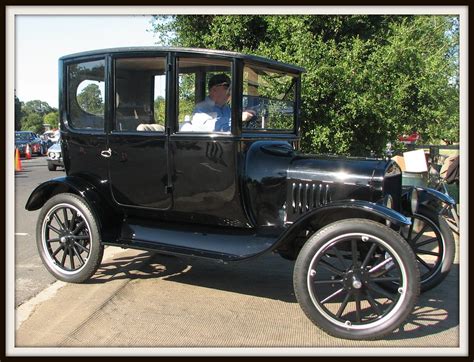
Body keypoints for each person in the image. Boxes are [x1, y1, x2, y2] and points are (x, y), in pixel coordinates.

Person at [190, 74, 254, 132]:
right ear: (214, 90)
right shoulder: (201, 108)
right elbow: (209, 127)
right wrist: (238, 118)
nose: (230, 91)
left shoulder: (227, 108)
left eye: (231, 88)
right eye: (226, 87)